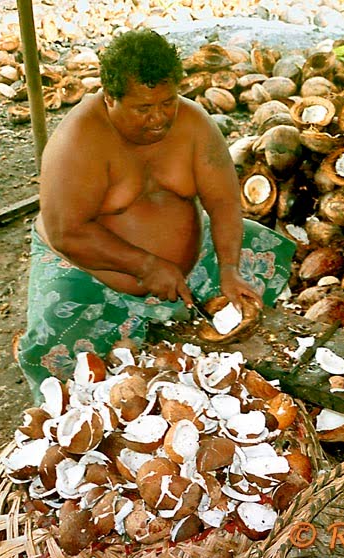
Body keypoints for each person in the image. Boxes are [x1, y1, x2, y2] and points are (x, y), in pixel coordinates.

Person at [17, 29, 294, 401]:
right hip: (88, 269)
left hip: (186, 268)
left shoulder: (193, 124)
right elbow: (67, 233)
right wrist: (145, 265)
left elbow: (224, 201)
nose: (159, 118)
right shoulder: (78, 140)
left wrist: (228, 267)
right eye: (143, 108)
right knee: (59, 352)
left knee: (260, 247)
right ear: (110, 97)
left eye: (167, 102)